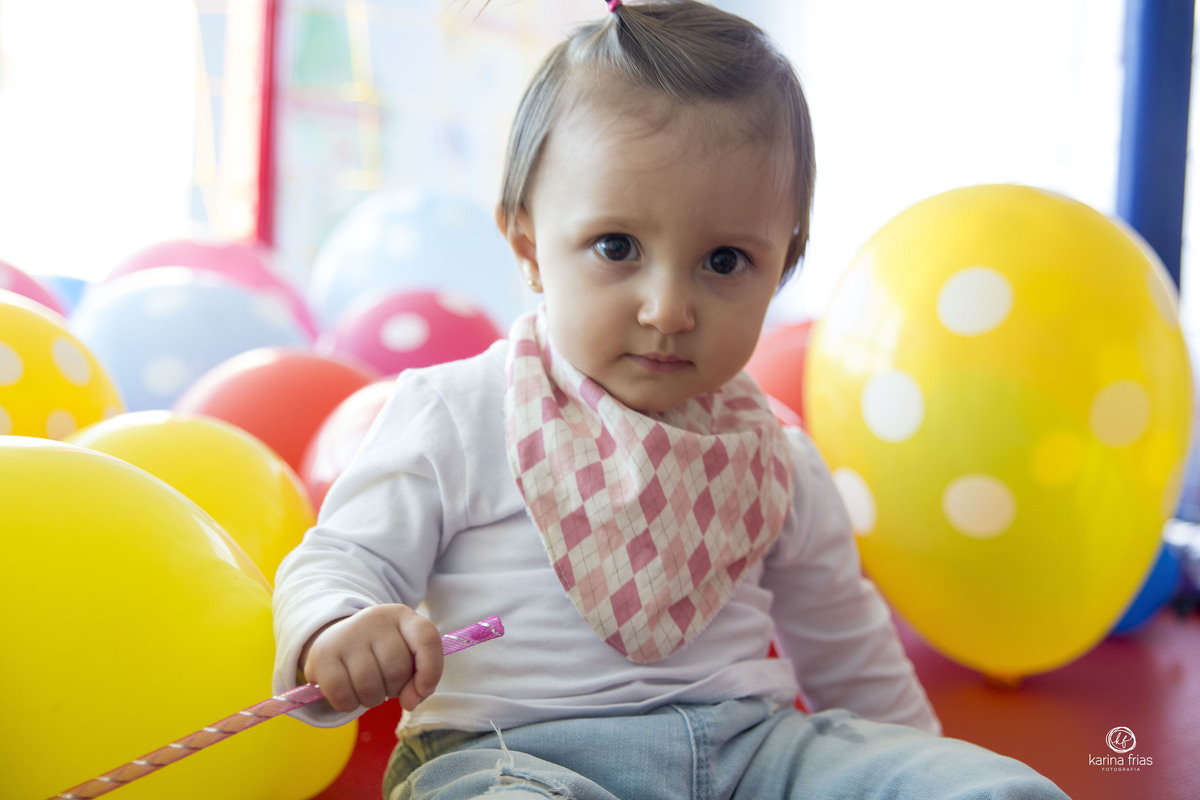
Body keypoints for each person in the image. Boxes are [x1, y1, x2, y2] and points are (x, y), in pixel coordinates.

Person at [273, 2, 1070, 798]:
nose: (668, 308)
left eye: (725, 261)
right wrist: (339, 626)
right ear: (528, 246)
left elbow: (851, 655)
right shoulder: (460, 412)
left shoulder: (777, 458)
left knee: (989, 787)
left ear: (783, 266)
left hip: (752, 756)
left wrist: (909, 773)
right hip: (513, 756)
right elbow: (342, 557)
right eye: (617, 248)